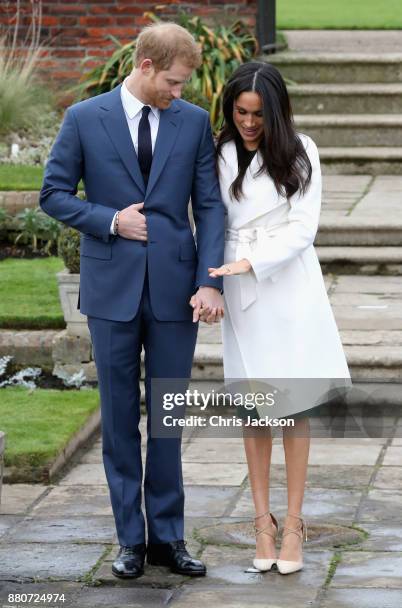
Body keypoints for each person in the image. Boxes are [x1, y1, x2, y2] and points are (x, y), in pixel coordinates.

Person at [40, 23, 225, 579]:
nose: (180, 91)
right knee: (120, 422)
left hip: (174, 293)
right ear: (145, 66)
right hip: (111, 292)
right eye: (172, 81)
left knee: (167, 418)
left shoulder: (191, 123)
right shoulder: (83, 119)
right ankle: (129, 541)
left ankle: (168, 538)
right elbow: (52, 193)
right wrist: (110, 221)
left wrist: (210, 280)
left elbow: (210, 206)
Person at [209, 61, 351, 575]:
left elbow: (303, 228)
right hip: (238, 289)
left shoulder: (301, 151)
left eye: (259, 115)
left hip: (288, 285)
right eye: (240, 113)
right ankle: (260, 522)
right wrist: (216, 278)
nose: (249, 123)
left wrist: (253, 261)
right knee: (253, 408)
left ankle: (293, 523)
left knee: (292, 406)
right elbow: (206, 215)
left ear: (277, 113)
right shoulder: (219, 153)